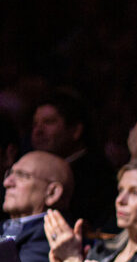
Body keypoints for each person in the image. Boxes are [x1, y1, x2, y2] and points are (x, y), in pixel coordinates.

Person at [31, 89, 117, 231]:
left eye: (49, 122)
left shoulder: (95, 175)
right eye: (35, 124)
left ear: (76, 130)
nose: (38, 131)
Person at [2, 151, 73, 262]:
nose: (7, 183)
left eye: (21, 175)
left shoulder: (53, 237)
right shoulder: (6, 225)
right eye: (10, 173)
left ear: (52, 193)